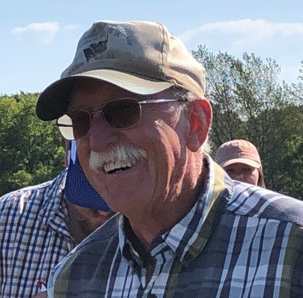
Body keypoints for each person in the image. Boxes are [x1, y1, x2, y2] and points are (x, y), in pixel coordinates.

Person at [36, 20, 303, 297]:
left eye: (123, 111)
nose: (98, 140)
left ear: (195, 122)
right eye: (80, 121)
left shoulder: (291, 248)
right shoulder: (74, 277)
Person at [0, 141, 114, 297]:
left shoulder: (154, 233)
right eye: (90, 187)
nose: (103, 211)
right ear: (68, 152)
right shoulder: (7, 216)